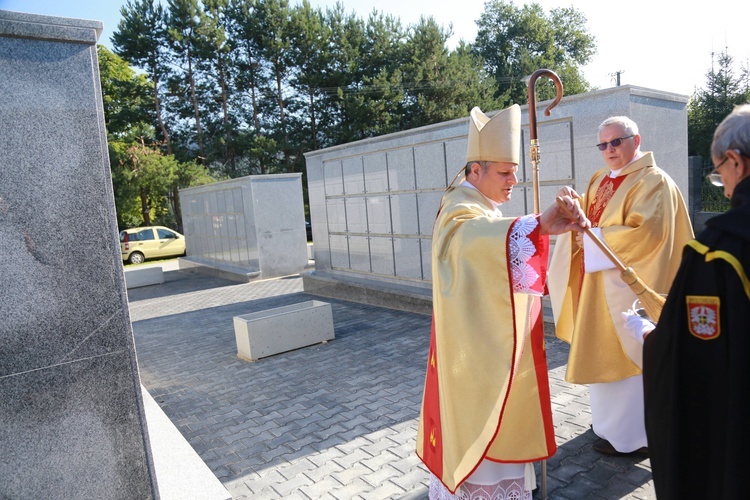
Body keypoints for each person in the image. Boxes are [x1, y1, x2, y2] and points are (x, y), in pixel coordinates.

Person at [416, 105, 589, 499]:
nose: (514, 180)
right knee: (485, 446)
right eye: (505, 172)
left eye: (516, 171)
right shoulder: (460, 209)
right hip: (476, 359)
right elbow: (475, 240)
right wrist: (538, 225)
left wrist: (546, 230)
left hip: (489, 348)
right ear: (475, 170)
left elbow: (496, 238)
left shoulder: (479, 209)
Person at [547, 116, 694, 457]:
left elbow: (648, 234)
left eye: (616, 142)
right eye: (603, 144)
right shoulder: (600, 178)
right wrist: (572, 204)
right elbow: (590, 215)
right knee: (604, 358)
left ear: (636, 139)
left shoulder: (654, 181)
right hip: (599, 282)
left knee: (631, 362)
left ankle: (635, 437)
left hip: (628, 288)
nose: (609, 150)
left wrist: (590, 237)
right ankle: (607, 426)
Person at [639, 104, 750, 499]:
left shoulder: (720, 253)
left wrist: (653, 339)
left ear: (735, 161)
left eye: (720, 173)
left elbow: (698, 365)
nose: (723, 181)